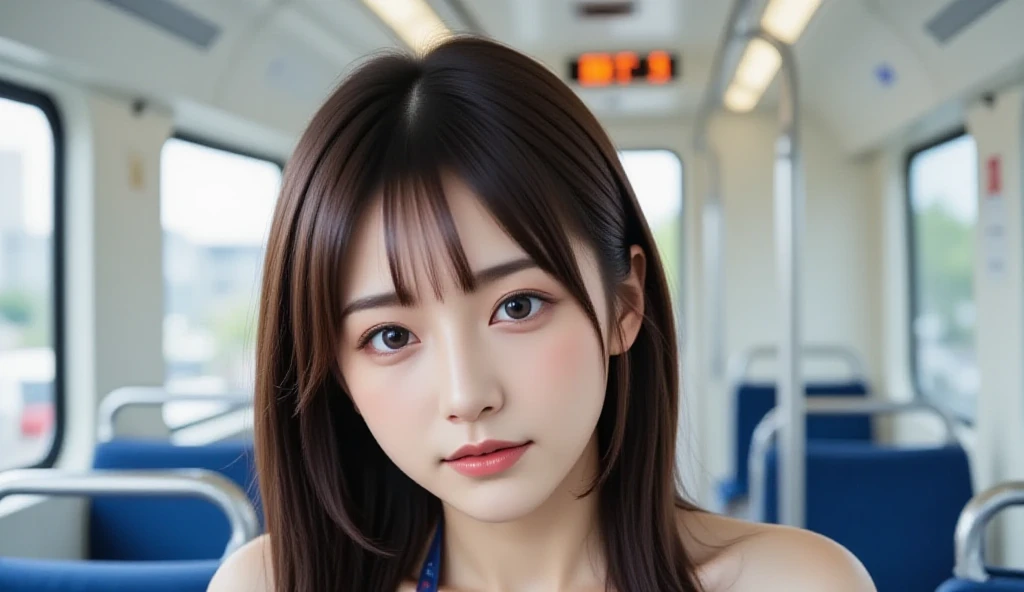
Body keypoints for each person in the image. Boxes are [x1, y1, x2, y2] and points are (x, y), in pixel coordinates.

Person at [208, 35, 874, 592]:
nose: (468, 396)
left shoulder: (791, 581)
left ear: (625, 304)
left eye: (516, 306)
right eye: (390, 335)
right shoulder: (274, 583)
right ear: (336, 373)